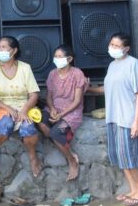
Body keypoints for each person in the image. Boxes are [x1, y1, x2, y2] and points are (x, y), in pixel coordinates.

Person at [88, 33, 138, 205]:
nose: (112, 48)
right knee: (121, 158)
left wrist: (136, 122)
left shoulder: (133, 64)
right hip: (113, 118)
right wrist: (90, 89)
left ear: (126, 48)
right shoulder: (112, 65)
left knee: (130, 158)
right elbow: (107, 88)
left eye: (116, 46)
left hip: (128, 118)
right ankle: (133, 190)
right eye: (111, 44)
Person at [0, 36, 42, 177]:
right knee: (6, 124)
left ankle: (32, 156)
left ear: (14, 50)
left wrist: (24, 111)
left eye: (4, 47)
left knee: (28, 128)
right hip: (1, 107)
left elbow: (34, 95)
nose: (0, 50)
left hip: (24, 107)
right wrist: (8, 109)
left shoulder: (25, 68)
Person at [37, 44, 87, 181]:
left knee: (56, 133)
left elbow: (77, 101)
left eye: (60, 56)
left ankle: (72, 161)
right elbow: (49, 96)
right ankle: (68, 150)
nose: (57, 59)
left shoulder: (77, 73)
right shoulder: (52, 74)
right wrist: (52, 109)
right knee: (41, 123)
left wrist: (61, 114)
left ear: (69, 59)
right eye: (55, 56)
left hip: (71, 114)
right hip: (53, 110)